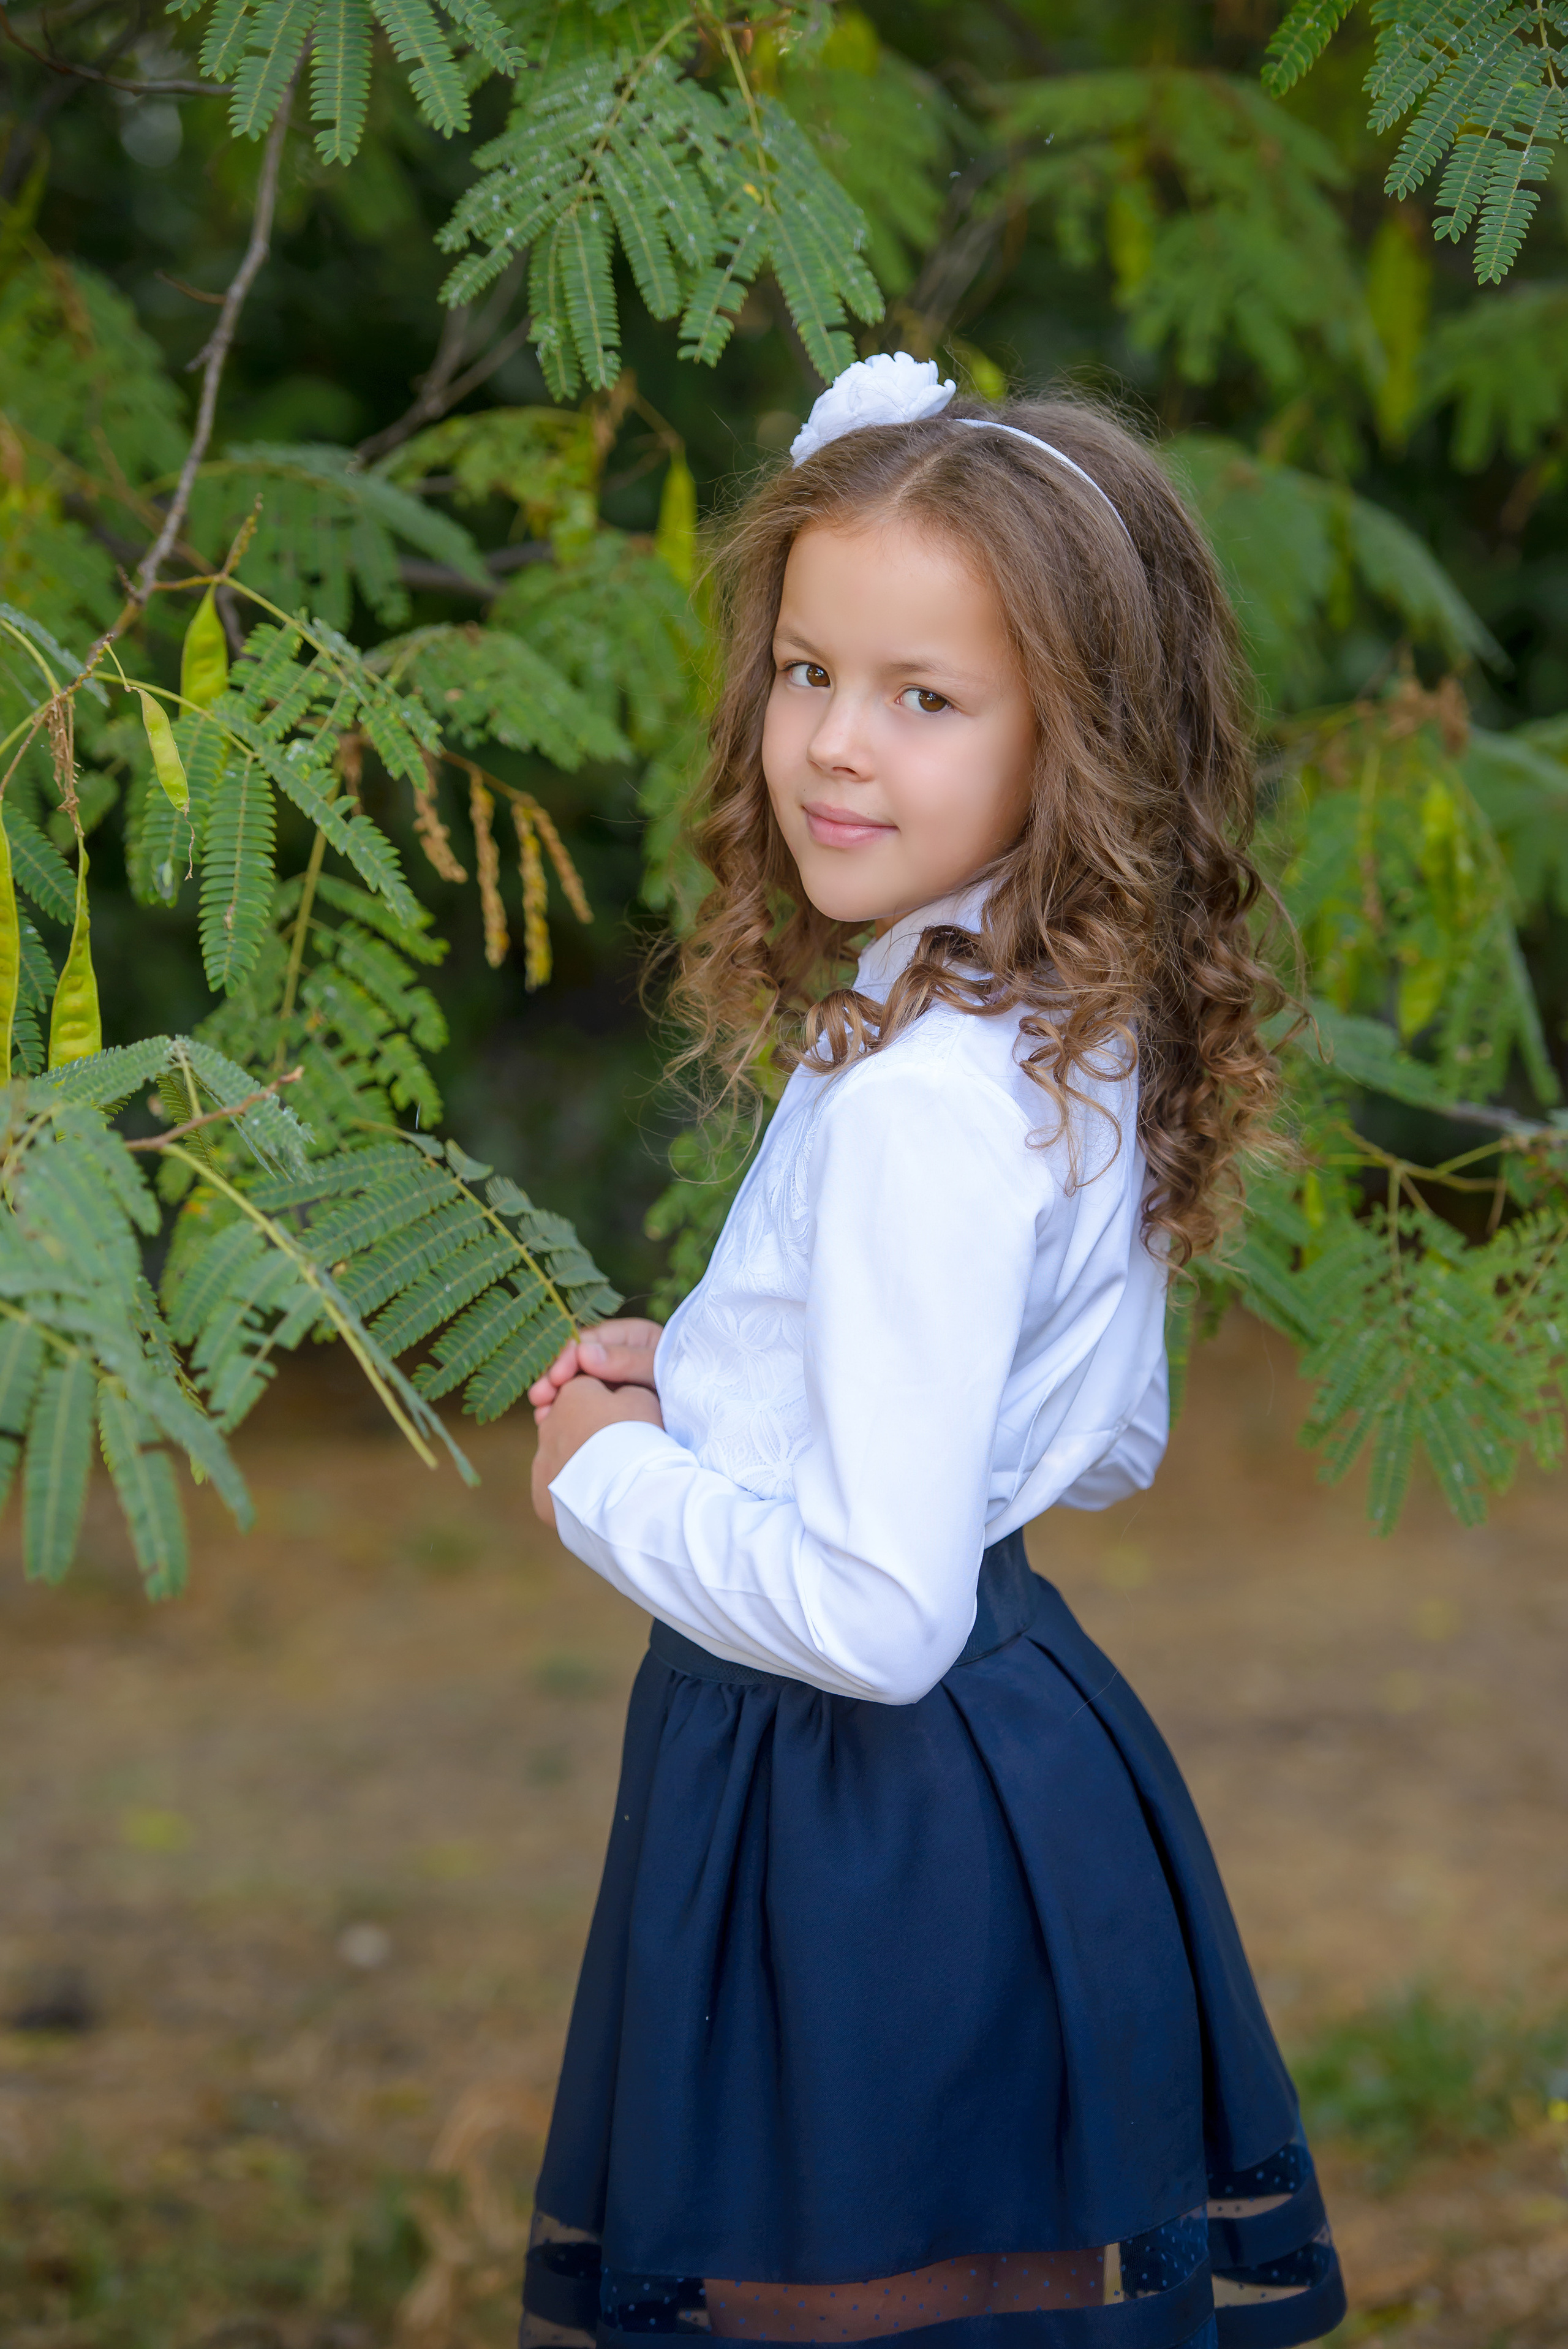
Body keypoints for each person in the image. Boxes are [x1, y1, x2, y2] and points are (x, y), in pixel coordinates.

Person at [520, 352, 1347, 2349]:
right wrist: (726, 1384)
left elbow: (878, 1616)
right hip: (1019, 1761)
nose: (832, 747)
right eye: (809, 671)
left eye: (925, 697)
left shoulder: (918, 1099)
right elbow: (1105, 1432)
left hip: (856, 1808)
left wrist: (608, 1474)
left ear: (1072, 738)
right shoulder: (1046, 1016)